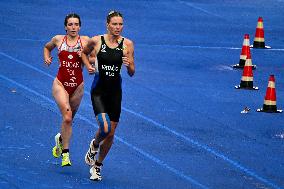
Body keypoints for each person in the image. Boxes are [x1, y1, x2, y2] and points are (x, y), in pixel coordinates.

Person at [81, 10, 135, 181]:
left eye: (120, 24)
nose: (118, 27)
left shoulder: (128, 44)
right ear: (107, 25)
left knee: (111, 134)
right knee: (104, 128)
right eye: (114, 24)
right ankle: (94, 145)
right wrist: (88, 67)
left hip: (115, 93)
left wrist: (129, 66)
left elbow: (132, 72)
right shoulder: (97, 41)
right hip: (99, 91)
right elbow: (83, 53)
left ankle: (97, 167)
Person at [43, 13, 89, 167]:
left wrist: (85, 58)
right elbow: (46, 47)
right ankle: (65, 155)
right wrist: (47, 57)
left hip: (78, 86)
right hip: (61, 84)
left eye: (76, 24)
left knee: (68, 120)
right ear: (65, 27)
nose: (73, 27)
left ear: (80, 26)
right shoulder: (58, 39)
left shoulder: (85, 41)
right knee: (68, 117)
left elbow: (95, 58)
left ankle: (60, 141)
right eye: (70, 24)